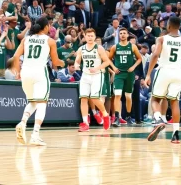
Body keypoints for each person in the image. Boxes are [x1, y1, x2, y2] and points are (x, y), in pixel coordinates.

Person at [14, 16, 65, 146]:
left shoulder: (26, 39)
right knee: (42, 103)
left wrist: (17, 72)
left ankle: (23, 122)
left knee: (33, 101)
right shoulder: (50, 41)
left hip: (25, 71)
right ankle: (35, 134)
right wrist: (62, 62)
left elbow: (15, 56)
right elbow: (55, 62)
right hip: (39, 72)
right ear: (46, 27)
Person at [145, 17, 181, 143]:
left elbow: (155, 55)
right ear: (179, 27)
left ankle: (158, 120)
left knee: (155, 99)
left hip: (164, 70)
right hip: (178, 72)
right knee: (174, 102)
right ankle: (176, 135)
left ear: (168, 26)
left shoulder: (161, 39)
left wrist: (148, 74)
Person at [74, 28, 110, 132]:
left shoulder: (99, 48)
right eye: (88, 36)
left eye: (92, 36)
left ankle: (105, 114)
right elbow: (77, 61)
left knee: (94, 98)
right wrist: (76, 65)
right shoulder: (81, 49)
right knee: (84, 98)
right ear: (84, 37)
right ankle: (85, 123)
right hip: (85, 76)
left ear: (95, 37)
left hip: (97, 75)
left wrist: (97, 68)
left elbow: (107, 62)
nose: (90, 37)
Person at [109, 27, 142, 126]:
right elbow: (108, 59)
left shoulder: (132, 47)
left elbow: (139, 59)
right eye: (121, 33)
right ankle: (117, 118)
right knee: (118, 95)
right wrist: (114, 67)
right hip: (119, 74)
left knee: (128, 96)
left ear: (127, 35)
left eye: (124, 33)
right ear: (119, 35)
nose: (122, 35)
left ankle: (128, 116)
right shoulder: (115, 47)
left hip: (129, 74)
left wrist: (133, 67)